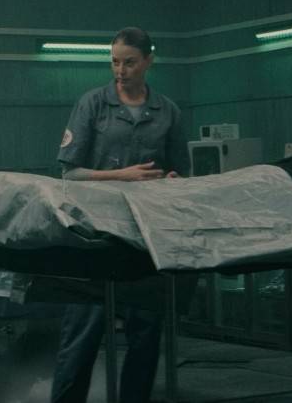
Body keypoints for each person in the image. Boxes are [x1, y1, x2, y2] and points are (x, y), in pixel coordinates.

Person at [52, 26, 186, 403]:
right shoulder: (92, 104)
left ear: (148, 61)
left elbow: (180, 172)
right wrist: (121, 176)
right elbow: (69, 173)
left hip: (146, 233)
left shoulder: (168, 111)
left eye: (129, 63)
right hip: (96, 233)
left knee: (146, 330)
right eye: (114, 62)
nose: (120, 71)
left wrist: (173, 179)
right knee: (83, 331)